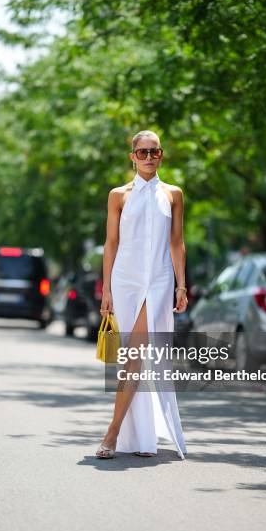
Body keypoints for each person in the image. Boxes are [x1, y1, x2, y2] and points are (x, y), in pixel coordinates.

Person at [95, 130, 188, 460]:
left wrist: (181, 284)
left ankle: (113, 431)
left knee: (136, 355)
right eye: (143, 152)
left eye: (155, 152)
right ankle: (142, 435)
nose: (149, 157)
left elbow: (176, 243)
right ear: (132, 157)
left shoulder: (173, 194)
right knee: (131, 358)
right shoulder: (118, 195)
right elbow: (111, 244)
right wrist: (106, 288)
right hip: (126, 278)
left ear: (162, 155)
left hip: (160, 280)